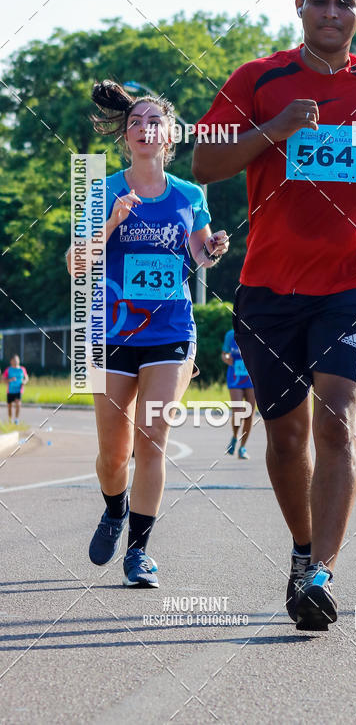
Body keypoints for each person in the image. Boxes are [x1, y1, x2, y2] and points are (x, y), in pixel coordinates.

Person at [193, 0, 356, 630]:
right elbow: (204, 162)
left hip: (352, 279)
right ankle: (301, 552)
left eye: (344, 2)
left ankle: (322, 571)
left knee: (335, 417)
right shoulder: (258, 80)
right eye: (320, 1)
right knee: (285, 433)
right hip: (268, 285)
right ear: (299, 5)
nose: (332, 12)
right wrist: (273, 131)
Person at [66, 81, 229, 588]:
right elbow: (76, 265)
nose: (144, 127)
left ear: (169, 135)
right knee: (114, 456)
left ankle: (138, 552)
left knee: (152, 440)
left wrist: (214, 248)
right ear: (125, 136)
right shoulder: (102, 190)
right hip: (111, 333)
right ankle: (114, 509)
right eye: (135, 120)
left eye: (154, 121)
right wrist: (113, 221)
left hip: (171, 331)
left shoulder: (190, 194)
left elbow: (199, 255)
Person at [222, 328, 255, 459]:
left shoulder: (256, 333)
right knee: (238, 411)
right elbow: (224, 354)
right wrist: (227, 359)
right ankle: (235, 437)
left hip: (251, 377)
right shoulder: (231, 334)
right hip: (235, 377)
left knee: (249, 413)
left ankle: (242, 448)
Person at [3, 355, 29, 426]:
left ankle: (16, 419)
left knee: (18, 404)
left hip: (18, 390)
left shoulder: (22, 369)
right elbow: (3, 379)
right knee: (9, 406)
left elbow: (26, 377)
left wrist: (24, 382)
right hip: (10, 391)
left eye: (17, 360)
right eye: (14, 360)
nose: (16, 361)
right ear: (11, 361)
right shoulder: (8, 369)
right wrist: (10, 380)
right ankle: (10, 420)